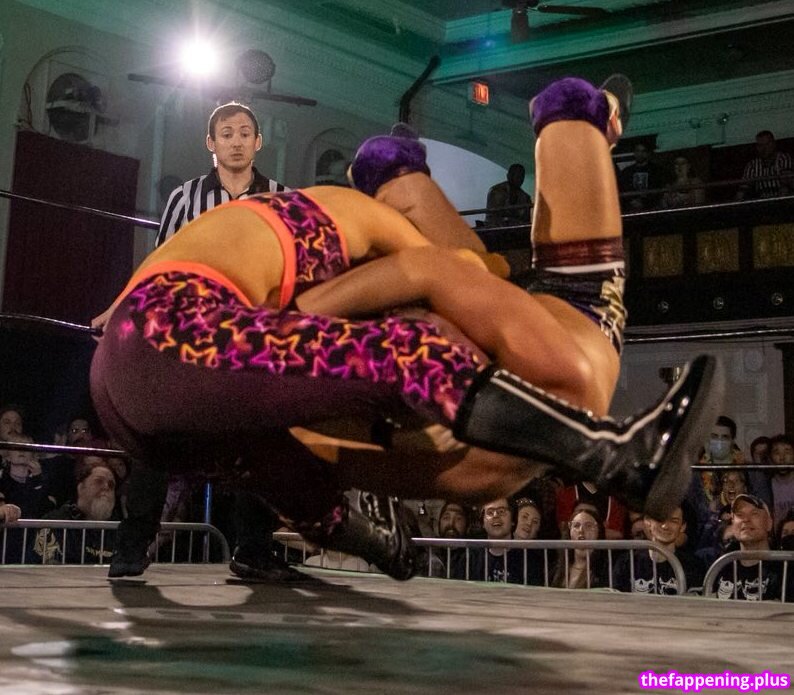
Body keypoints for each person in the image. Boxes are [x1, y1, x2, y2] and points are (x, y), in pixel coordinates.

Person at [90, 74, 721, 581]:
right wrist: (478, 282)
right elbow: (438, 268)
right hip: (168, 334)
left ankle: (381, 545)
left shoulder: (280, 231)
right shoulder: (342, 216)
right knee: (407, 353)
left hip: (133, 383)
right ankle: (617, 455)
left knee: (292, 471)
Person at [156, 101, 287, 246]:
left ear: (257, 141)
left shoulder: (285, 198)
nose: (237, 143)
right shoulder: (184, 197)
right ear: (211, 143)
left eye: (245, 134)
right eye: (227, 135)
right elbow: (162, 257)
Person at [613, 504, 704, 595]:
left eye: (673, 521)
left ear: (683, 527)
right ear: (648, 522)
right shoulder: (627, 562)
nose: (665, 526)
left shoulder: (694, 566)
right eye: (660, 519)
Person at [714, 493, 781, 601]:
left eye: (754, 514)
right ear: (733, 523)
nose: (746, 519)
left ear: (769, 523)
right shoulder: (723, 564)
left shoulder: (784, 569)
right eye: (740, 515)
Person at [735, 130, 793, 201]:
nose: (764, 148)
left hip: (783, 200)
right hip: (762, 201)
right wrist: (737, 202)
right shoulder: (753, 165)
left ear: (773, 144)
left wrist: (779, 201)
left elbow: (786, 182)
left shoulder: (783, 158)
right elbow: (743, 187)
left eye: (767, 144)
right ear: (757, 147)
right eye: (760, 145)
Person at [617, 141, 669, 211]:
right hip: (631, 209)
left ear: (648, 153)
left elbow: (659, 188)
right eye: (637, 151)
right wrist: (632, 201)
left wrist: (646, 202)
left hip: (652, 208)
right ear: (634, 152)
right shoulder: (627, 171)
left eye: (643, 151)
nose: (640, 154)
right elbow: (623, 189)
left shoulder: (656, 170)